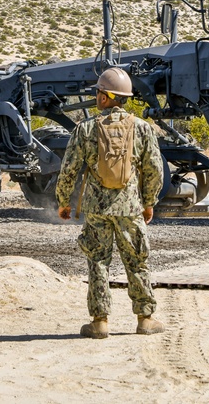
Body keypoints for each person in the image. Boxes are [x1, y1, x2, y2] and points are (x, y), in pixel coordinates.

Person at [56, 66, 165, 339]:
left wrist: (63, 202)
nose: (96, 96)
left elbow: (68, 169)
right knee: (137, 261)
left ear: (105, 97)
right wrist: (149, 202)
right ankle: (145, 319)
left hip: (97, 209)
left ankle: (100, 322)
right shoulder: (141, 128)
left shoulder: (85, 129)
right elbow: (154, 169)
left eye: (98, 92)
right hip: (130, 207)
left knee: (98, 261)